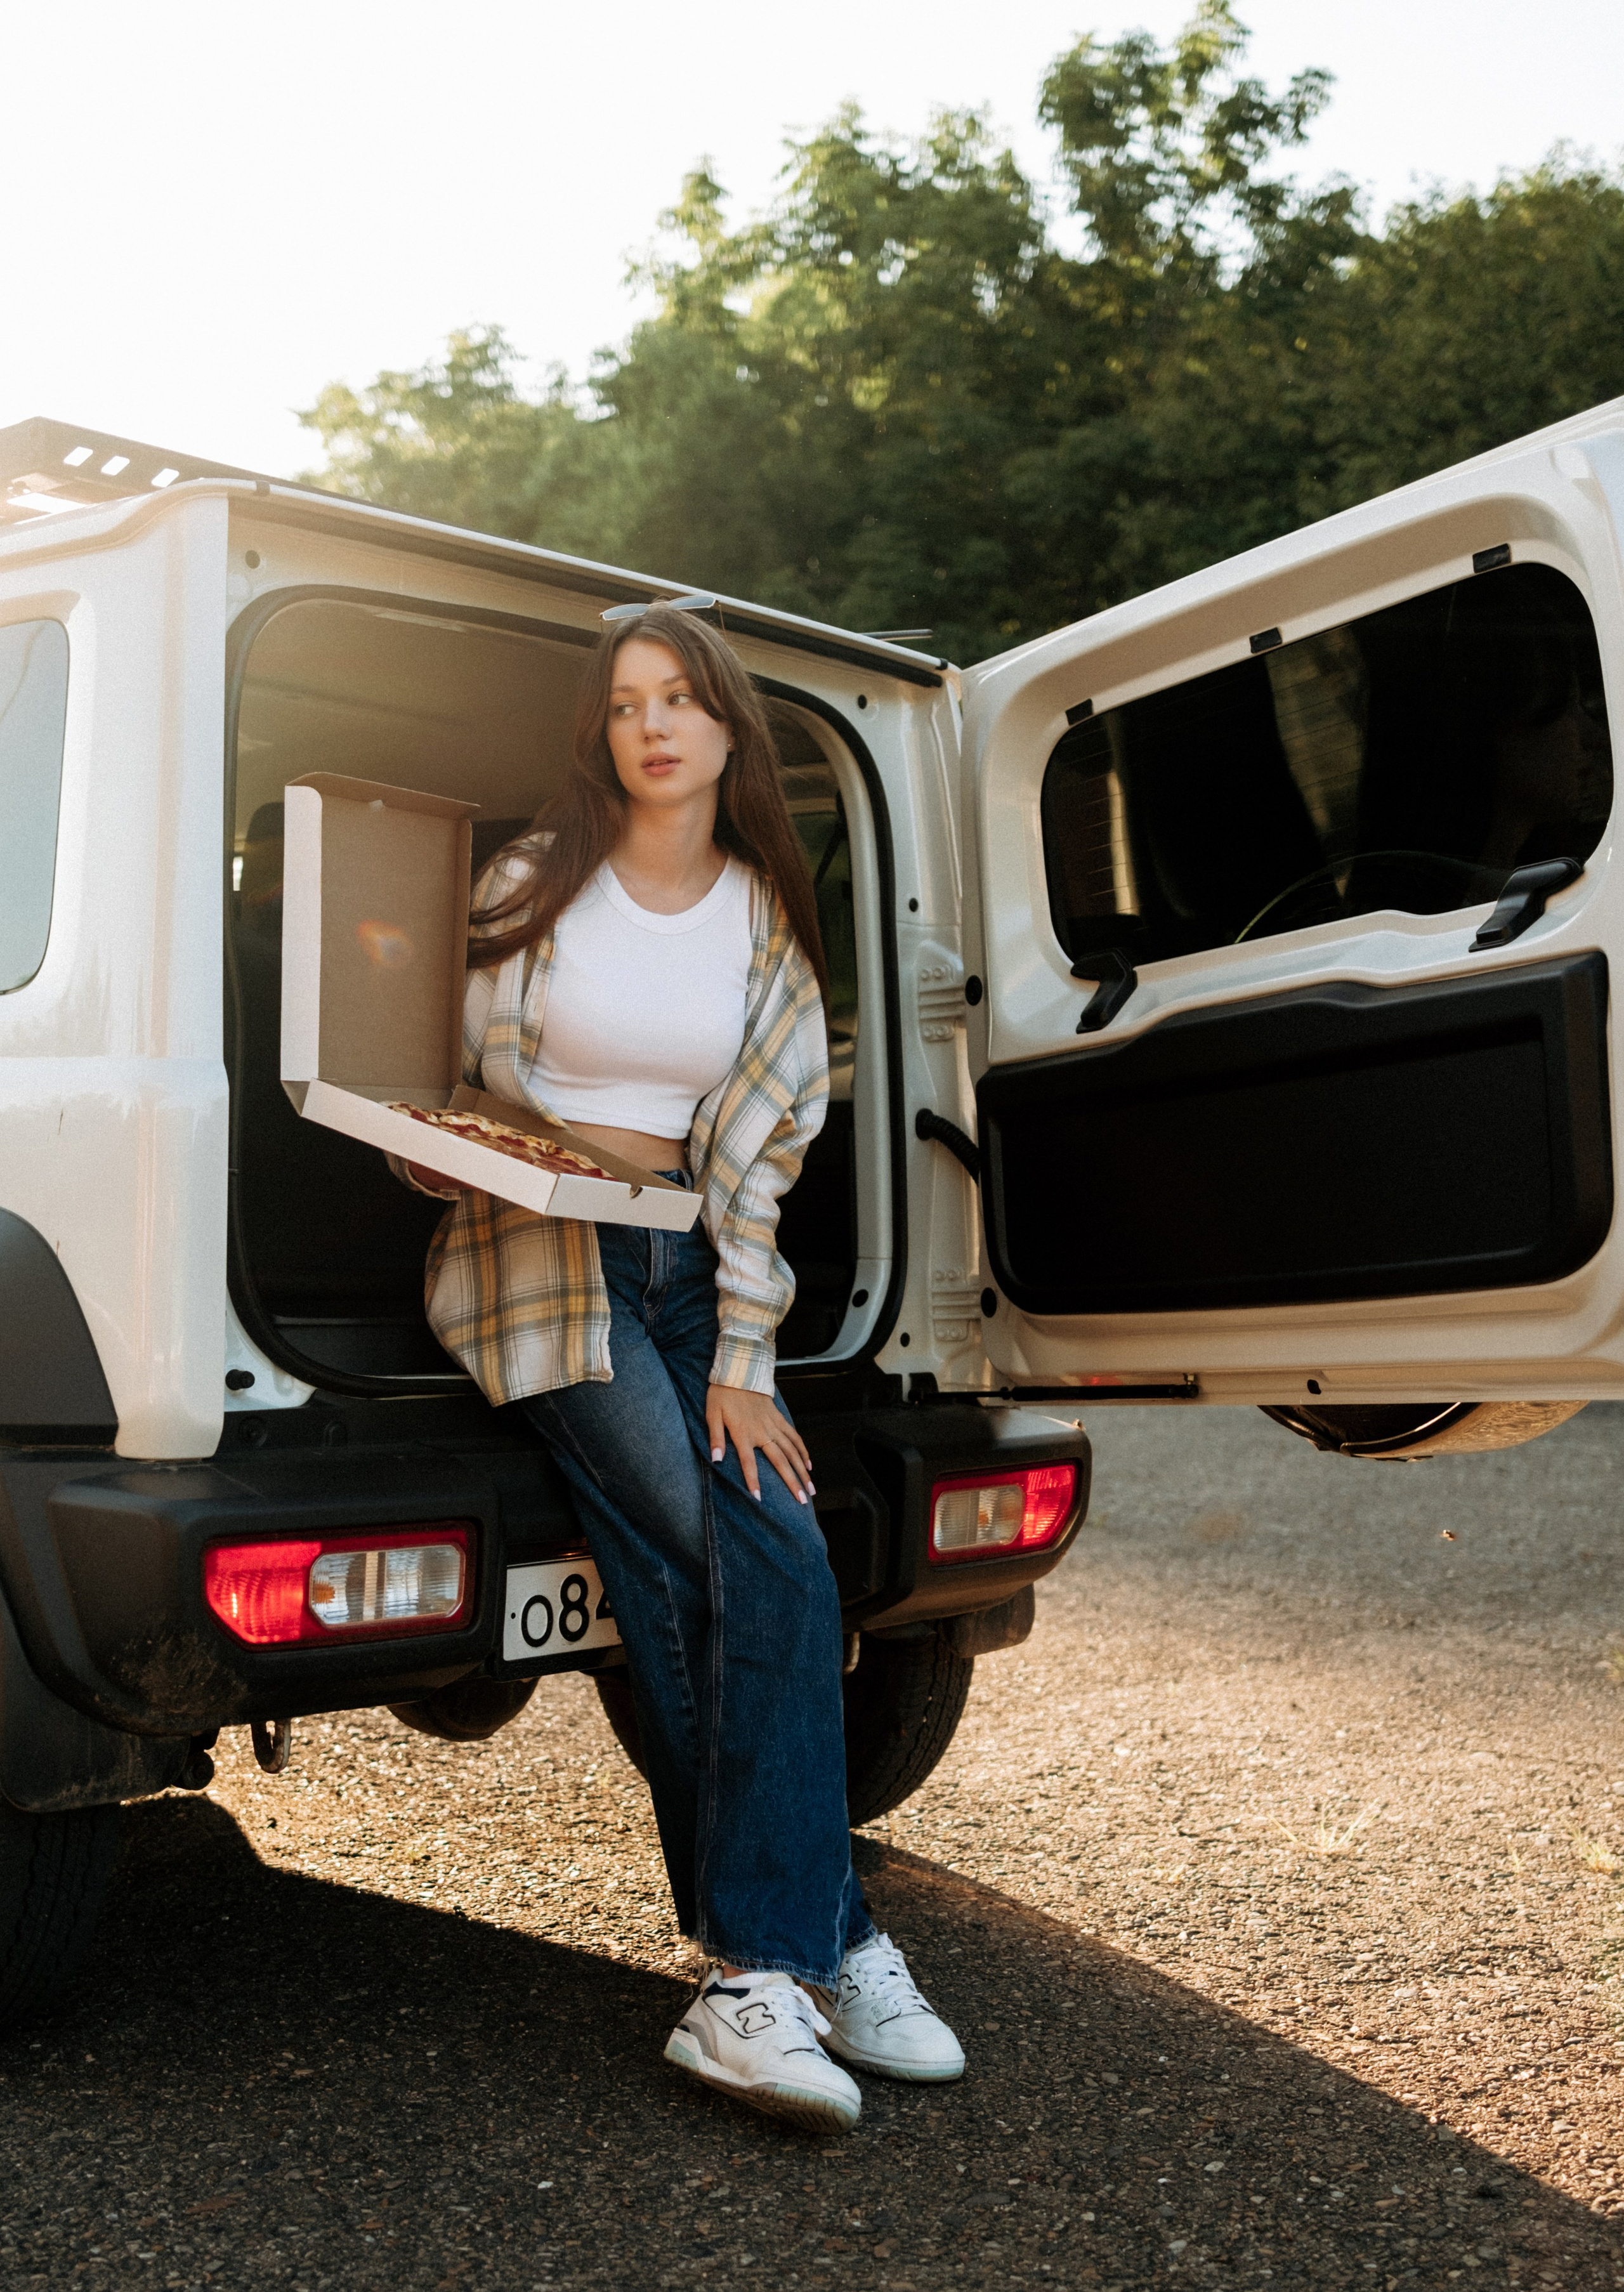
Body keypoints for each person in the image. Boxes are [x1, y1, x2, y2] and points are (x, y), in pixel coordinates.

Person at [400, 599, 964, 2132]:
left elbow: (761, 1165)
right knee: (740, 1558)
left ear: (726, 727)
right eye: (625, 702)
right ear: (603, 732)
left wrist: (744, 1358)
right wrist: (427, 1152)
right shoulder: (531, 882)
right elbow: (433, 1079)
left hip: (688, 1270)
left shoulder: (762, 917)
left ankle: (765, 1973)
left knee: (746, 1558)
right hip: (542, 1264)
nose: (650, 724)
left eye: (678, 699)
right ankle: (815, 1944)